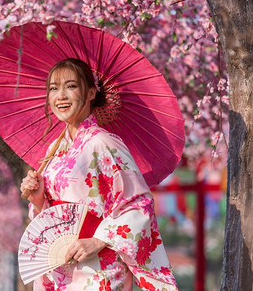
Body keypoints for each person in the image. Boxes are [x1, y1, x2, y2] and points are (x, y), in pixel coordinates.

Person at [20, 58, 178, 290]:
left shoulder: (104, 143)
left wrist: (98, 240)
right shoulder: (55, 148)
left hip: (96, 265)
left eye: (71, 86)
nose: (60, 96)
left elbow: (138, 203)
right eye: (53, 88)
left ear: (92, 93)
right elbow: (51, 213)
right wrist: (39, 199)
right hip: (58, 262)